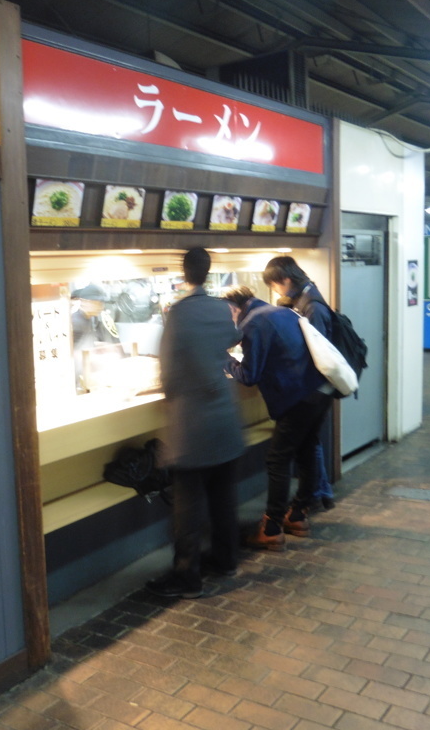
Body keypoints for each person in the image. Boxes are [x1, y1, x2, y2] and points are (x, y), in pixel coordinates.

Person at [145, 248, 246, 598]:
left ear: (184, 272)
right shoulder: (221, 307)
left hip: (192, 424)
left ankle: (187, 577)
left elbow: (168, 373)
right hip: (225, 418)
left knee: (187, 507)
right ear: (208, 270)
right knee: (223, 498)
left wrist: (173, 391)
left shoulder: (179, 313)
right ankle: (226, 560)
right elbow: (233, 340)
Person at [222, 284, 333, 550]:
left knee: (278, 459)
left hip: (297, 397)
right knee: (306, 449)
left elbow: (249, 376)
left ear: (233, 308)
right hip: (320, 390)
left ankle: (271, 528)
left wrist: (223, 360)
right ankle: (298, 515)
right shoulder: (282, 312)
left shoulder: (252, 323)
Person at [262, 256, 337, 514]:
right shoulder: (306, 296)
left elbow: (314, 350)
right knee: (308, 446)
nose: (275, 292)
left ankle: (301, 505)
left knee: (289, 454)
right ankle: (311, 500)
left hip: (313, 391)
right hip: (318, 390)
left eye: (275, 286)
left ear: (285, 279)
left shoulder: (312, 306)